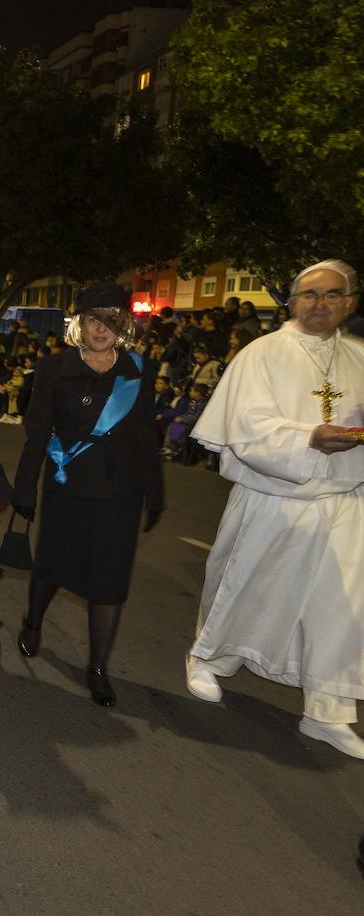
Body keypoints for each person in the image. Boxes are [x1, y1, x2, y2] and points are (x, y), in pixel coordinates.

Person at [184, 259, 364, 759]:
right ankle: (208, 658)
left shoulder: (360, 357)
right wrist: (309, 438)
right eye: (310, 294)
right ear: (292, 301)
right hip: (273, 495)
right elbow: (246, 427)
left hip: (347, 498)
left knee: (343, 609)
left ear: (349, 303)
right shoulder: (263, 354)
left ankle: (328, 711)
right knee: (245, 583)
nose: (320, 303)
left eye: (332, 295)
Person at [13, 283, 163, 707]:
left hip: (121, 490)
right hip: (69, 484)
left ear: (123, 325)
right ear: (80, 323)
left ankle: (98, 668)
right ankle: (34, 620)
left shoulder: (137, 368)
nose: (102, 328)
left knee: (109, 579)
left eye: (111, 320)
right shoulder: (54, 367)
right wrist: (25, 487)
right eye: (94, 319)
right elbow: (38, 431)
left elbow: (145, 435)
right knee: (52, 564)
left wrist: (155, 492)